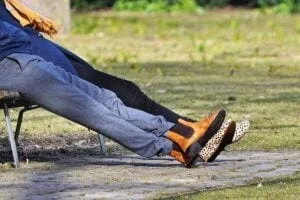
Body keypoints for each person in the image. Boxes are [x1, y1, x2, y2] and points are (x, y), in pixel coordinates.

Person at [0, 0, 250, 165]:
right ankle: (174, 146)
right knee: (94, 108)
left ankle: (187, 133)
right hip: (13, 63)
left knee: (108, 98)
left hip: (28, 50)